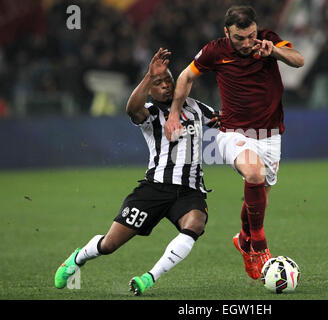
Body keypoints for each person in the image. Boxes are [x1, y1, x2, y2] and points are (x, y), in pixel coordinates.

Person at [54, 48, 220, 296]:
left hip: (189, 191)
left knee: (195, 224)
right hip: (154, 189)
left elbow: (225, 120)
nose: (165, 86)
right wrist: (148, 76)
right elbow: (132, 109)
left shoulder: (197, 108)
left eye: (168, 81)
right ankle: (78, 258)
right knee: (109, 245)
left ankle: (149, 278)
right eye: (158, 83)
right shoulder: (151, 113)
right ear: (150, 89)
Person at [164, 5, 304, 280]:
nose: (247, 43)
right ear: (226, 32)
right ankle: (260, 245)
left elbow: (298, 60)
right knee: (254, 173)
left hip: (271, 136)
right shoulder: (215, 51)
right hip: (233, 133)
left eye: (250, 35)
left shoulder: (268, 40)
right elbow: (186, 76)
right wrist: (173, 114)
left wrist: (273, 51)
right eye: (239, 38)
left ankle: (244, 239)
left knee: (258, 195)